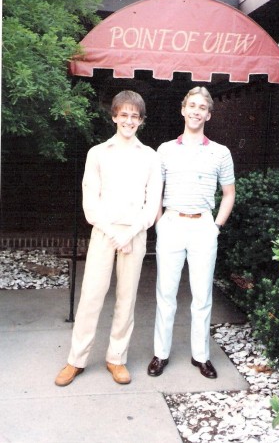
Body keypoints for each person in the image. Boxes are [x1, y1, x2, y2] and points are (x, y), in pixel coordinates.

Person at [55, 90, 162, 386]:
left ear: (141, 121)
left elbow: (152, 206)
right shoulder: (98, 153)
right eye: (123, 114)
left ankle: (116, 358)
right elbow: (91, 204)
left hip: (135, 234)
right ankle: (76, 360)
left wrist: (129, 233)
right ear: (114, 116)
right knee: (91, 296)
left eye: (134, 116)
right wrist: (116, 234)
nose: (129, 120)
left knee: (126, 300)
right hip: (104, 232)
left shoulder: (151, 157)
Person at [147, 86, 235, 379]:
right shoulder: (165, 150)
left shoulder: (220, 153)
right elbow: (155, 192)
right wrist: (159, 223)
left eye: (202, 107)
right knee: (166, 293)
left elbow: (229, 193)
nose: (196, 111)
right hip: (172, 223)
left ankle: (201, 356)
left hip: (203, 226)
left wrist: (216, 226)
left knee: (202, 295)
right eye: (192, 105)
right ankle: (161, 354)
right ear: (183, 110)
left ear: (208, 115)